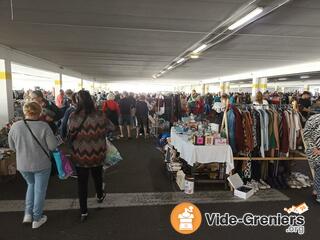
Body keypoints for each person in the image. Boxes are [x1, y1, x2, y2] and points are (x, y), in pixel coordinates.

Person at [8, 102, 58, 229]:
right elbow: (53, 146)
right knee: (40, 191)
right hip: (41, 164)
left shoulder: (15, 126)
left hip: (23, 164)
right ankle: (37, 218)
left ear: (24, 111)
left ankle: (27, 214)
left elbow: (12, 147)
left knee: (31, 185)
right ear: (40, 111)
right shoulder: (44, 126)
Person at [68, 90, 108, 222]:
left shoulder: (73, 116)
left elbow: (69, 133)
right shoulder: (100, 114)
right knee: (97, 175)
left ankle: (83, 211)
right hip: (97, 152)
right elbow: (111, 127)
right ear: (91, 100)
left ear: (77, 101)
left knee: (82, 183)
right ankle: (100, 196)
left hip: (80, 154)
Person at [304, 113, 320, 203]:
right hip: (314, 151)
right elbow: (307, 134)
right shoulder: (314, 119)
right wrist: (314, 148)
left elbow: (306, 134)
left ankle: (316, 190)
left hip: (314, 150)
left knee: (318, 171)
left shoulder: (312, 118)